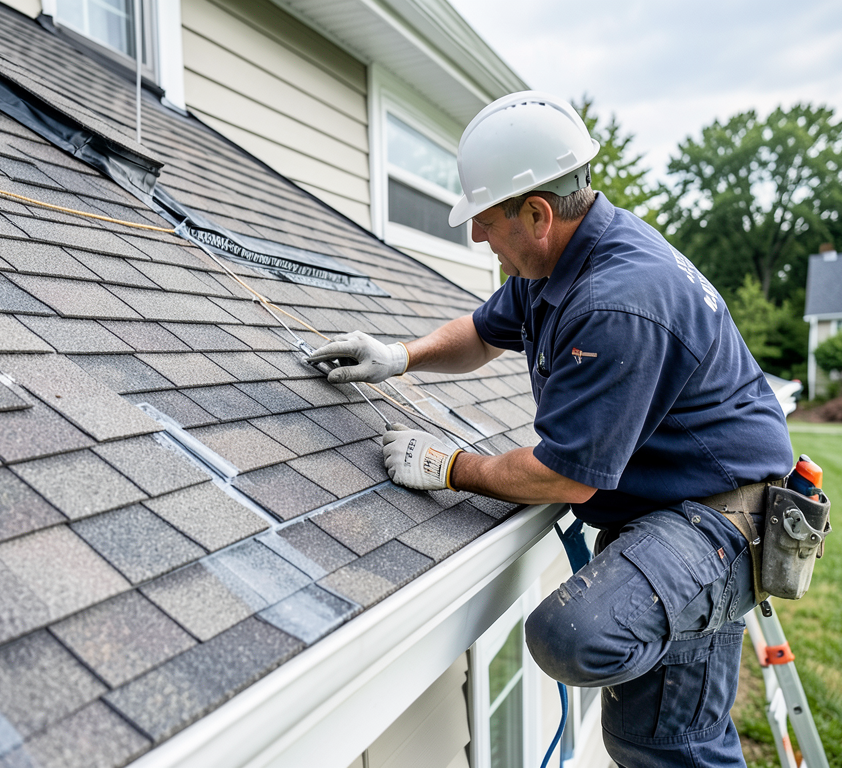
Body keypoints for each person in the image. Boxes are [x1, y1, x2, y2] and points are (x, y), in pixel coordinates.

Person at [307, 91, 795, 766]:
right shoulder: (557, 261)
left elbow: (562, 475)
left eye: (484, 219)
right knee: (650, 741)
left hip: (717, 519)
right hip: (676, 508)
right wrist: (399, 357)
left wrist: (449, 467)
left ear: (536, 213)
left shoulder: (619, 299)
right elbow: (479, 333)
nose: (477, 236)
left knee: (579, 634)